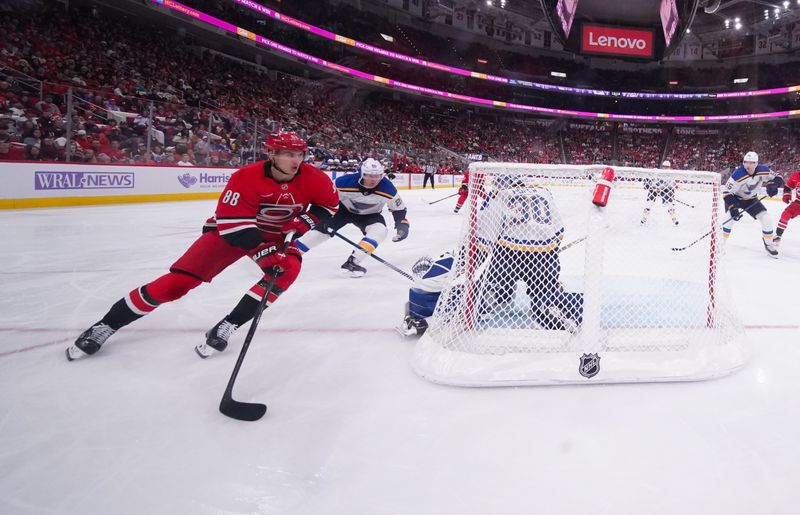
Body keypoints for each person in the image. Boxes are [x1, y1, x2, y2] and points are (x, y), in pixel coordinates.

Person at [67, 132, 340, 361]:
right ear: (271, 153)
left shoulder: (314, 177)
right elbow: (234, 223)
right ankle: (105, 325)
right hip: (230, 233)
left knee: (287, 270)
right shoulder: (246, 177)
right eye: (288, 154)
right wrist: (263, 251)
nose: (296, 161)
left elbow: (329, 205)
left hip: (276, 237)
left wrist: (307, 220)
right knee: (176, 285)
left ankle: (228, 325)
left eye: (300, 154)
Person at [293, 158, 410, 278]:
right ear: (361, 173)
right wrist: (322, 217)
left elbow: (399, 209)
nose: (374, 179)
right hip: (342, 211)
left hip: (370, 215)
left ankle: (353, 262)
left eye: (378, 176)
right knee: (319, 234)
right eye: (369, 175)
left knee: (380, 231)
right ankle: (288, 254)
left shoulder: (388, 188)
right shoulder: (343, 182)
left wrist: (402, 224)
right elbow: (324, 198)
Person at [722, 151, 785, 258]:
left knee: (767, 219)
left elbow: (778, 177)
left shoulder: (763, 170)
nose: (748, 165)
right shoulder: (738, 174)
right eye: (746, 162)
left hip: (752, 199)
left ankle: (769, 244)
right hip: (736, 199)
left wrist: (773, 184)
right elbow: (726, 192)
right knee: (728, 221)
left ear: (756, 164)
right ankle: (719, 245)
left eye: (751, 163)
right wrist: (733, 207)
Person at [640, 160, 679, 226]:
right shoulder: (657, 172)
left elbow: (673, 186)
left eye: (667, 167)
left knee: (669, 204)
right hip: (654, 190)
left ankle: (673, 218)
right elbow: (649, 183)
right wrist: (653, 187)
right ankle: (644, 217)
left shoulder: (670, 174)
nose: (665, 168)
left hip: (664, 190)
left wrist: (671, 193)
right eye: (664, 167)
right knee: (649, 203)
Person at [774, 170, 800, 248]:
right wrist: (787, 195)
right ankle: (778, 235)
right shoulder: (795, 175)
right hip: (798, 203)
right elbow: (788, 187)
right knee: (785, 214)